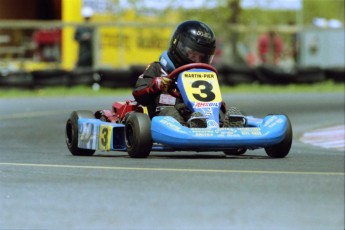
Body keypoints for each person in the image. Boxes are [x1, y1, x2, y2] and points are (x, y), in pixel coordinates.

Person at [132, 20, 232, 128]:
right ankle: (190, 129)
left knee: (218, 111)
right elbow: (138, 93)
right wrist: (156, 85)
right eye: (192, 54)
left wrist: (217, 104)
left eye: (202, 57)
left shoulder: (204, 74)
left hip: (197, 113)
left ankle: (227, 126)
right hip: (165, 113)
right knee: (170, 114)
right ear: (177, 46)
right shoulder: (158, 68)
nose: (197, 60)